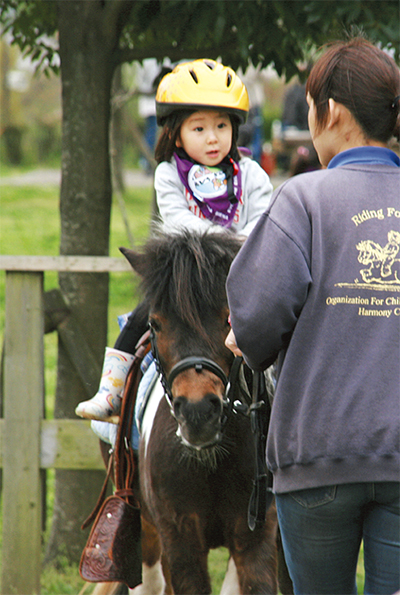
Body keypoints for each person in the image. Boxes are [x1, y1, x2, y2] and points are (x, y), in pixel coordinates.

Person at [225, 37, 400, 594]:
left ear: (333, 113)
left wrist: (244, 336)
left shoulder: (303, 199)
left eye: (308, 107)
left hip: (316, 457)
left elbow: (254, 324)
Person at [75, 58, 273, 422]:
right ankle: (112, 389)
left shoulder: (252, 174)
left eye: (221, 125)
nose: (212, 137)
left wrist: (233, 249)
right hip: (187, 274)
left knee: (278, 325)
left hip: (240, 274)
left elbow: (262, 222)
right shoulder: (168, 174)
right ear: (176, 134)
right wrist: (227, 243)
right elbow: (178, 220)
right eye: (199, 128)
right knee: (144, 314)